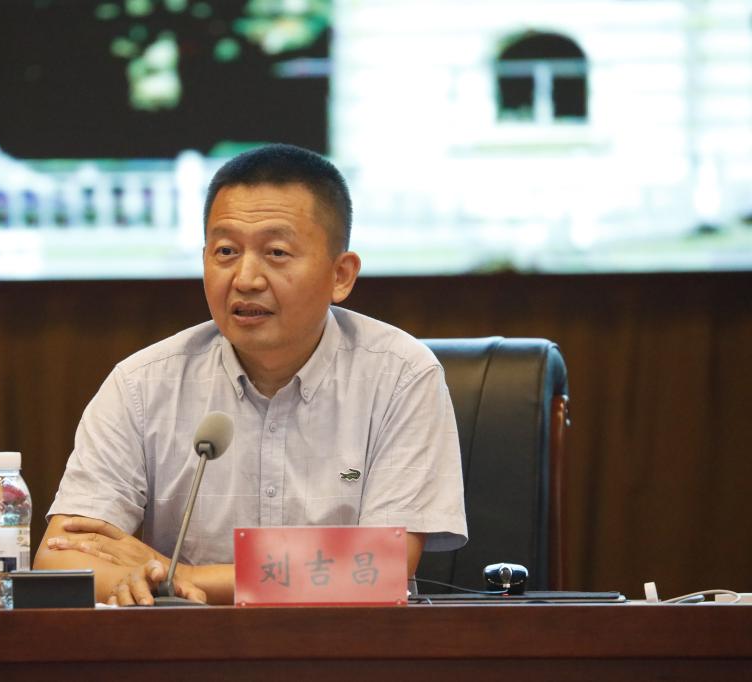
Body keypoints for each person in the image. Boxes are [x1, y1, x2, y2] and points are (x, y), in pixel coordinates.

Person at [33, 143, 467, 605]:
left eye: (276, 252)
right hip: (191, 649)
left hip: (346, 646)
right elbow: (60, 559)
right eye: (226, 251)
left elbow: (381, 566)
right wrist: (151, 580)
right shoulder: (142, 384)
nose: (245, 279)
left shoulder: (401, 376)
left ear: (341, 275)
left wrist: (182, 576)